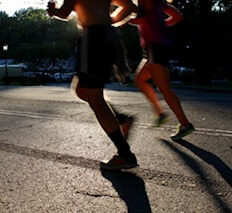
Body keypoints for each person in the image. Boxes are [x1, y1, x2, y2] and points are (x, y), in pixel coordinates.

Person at [47, 0, 139, 169]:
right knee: (82, 90)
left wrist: (52, 10)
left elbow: (65, 13)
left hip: (93, 39)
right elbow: (131, 7)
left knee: (93, 96)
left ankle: (125, 154)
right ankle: (120, 119)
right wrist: (109, 20)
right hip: (106, 36)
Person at [127, 0, 195, 141]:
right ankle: (160, 114)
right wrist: (161, 25)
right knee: (140, 80)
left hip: (155, 47)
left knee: (164, 89)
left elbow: (138, 20)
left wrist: (125, 19)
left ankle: (185, 124)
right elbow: (177, 16)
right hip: (154, 47)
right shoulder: (159, 2)